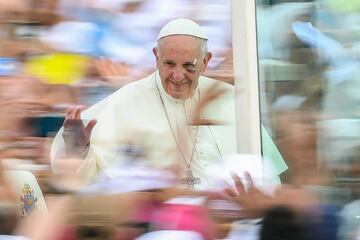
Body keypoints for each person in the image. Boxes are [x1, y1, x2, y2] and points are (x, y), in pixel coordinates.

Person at [50, 18, 286, 190]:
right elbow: (91, 181)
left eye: (189, 66)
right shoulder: (126, 100)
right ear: (156, 57)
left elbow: (268, 176)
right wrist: (79, 151)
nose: (177, 75)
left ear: (206, 61)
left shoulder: (230, 99)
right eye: (169, 64)